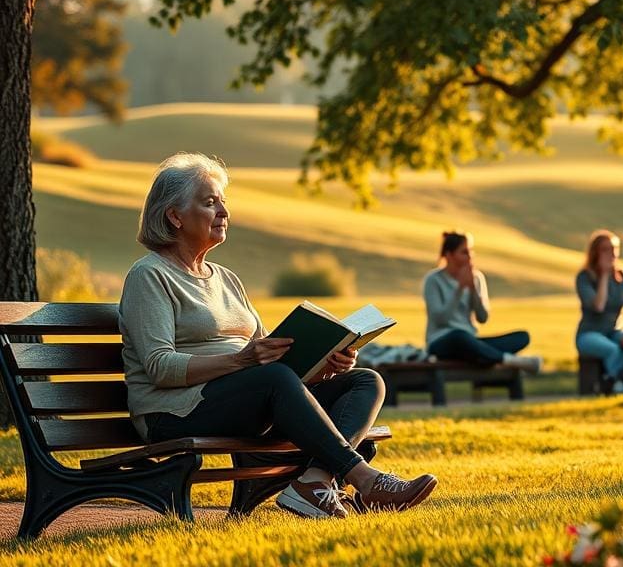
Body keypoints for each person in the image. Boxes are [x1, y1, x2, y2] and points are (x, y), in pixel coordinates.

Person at [119, 152, 437, 520]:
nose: (223, 212)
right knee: (272, 378)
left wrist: (324, 366)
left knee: (364, 381)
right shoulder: (150, 275)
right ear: (175, 216)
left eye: (223, 202)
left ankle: (313, 482)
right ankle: (366, 480)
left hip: (248, 399)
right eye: (210, 203)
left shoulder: (226, 279)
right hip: (173, 412)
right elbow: (160, 367)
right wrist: (242, 360)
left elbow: (272, 357)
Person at [423, 231, 542, 372]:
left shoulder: (477, 278)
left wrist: (473, 289)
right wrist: (459, 289)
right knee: (459, 336)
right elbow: (440, 319)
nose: (470, 256)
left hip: (471, 342)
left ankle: (485, 354)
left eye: (470, 251)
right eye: (464, 252)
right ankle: (511, 361)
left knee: (522, 337)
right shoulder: (433, 280)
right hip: (442, 342)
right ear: (449, 255)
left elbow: (482, 318)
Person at [575, 230, 623, 394]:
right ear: (595, 253)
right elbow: (598, 306)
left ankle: (611, 378)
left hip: (614, 332)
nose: (612, 254)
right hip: (589, 334)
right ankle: (620, 385)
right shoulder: (584, 277)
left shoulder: (621, 276)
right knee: (612, 349)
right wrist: (604, 275)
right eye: (606, 249)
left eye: (614, 249)